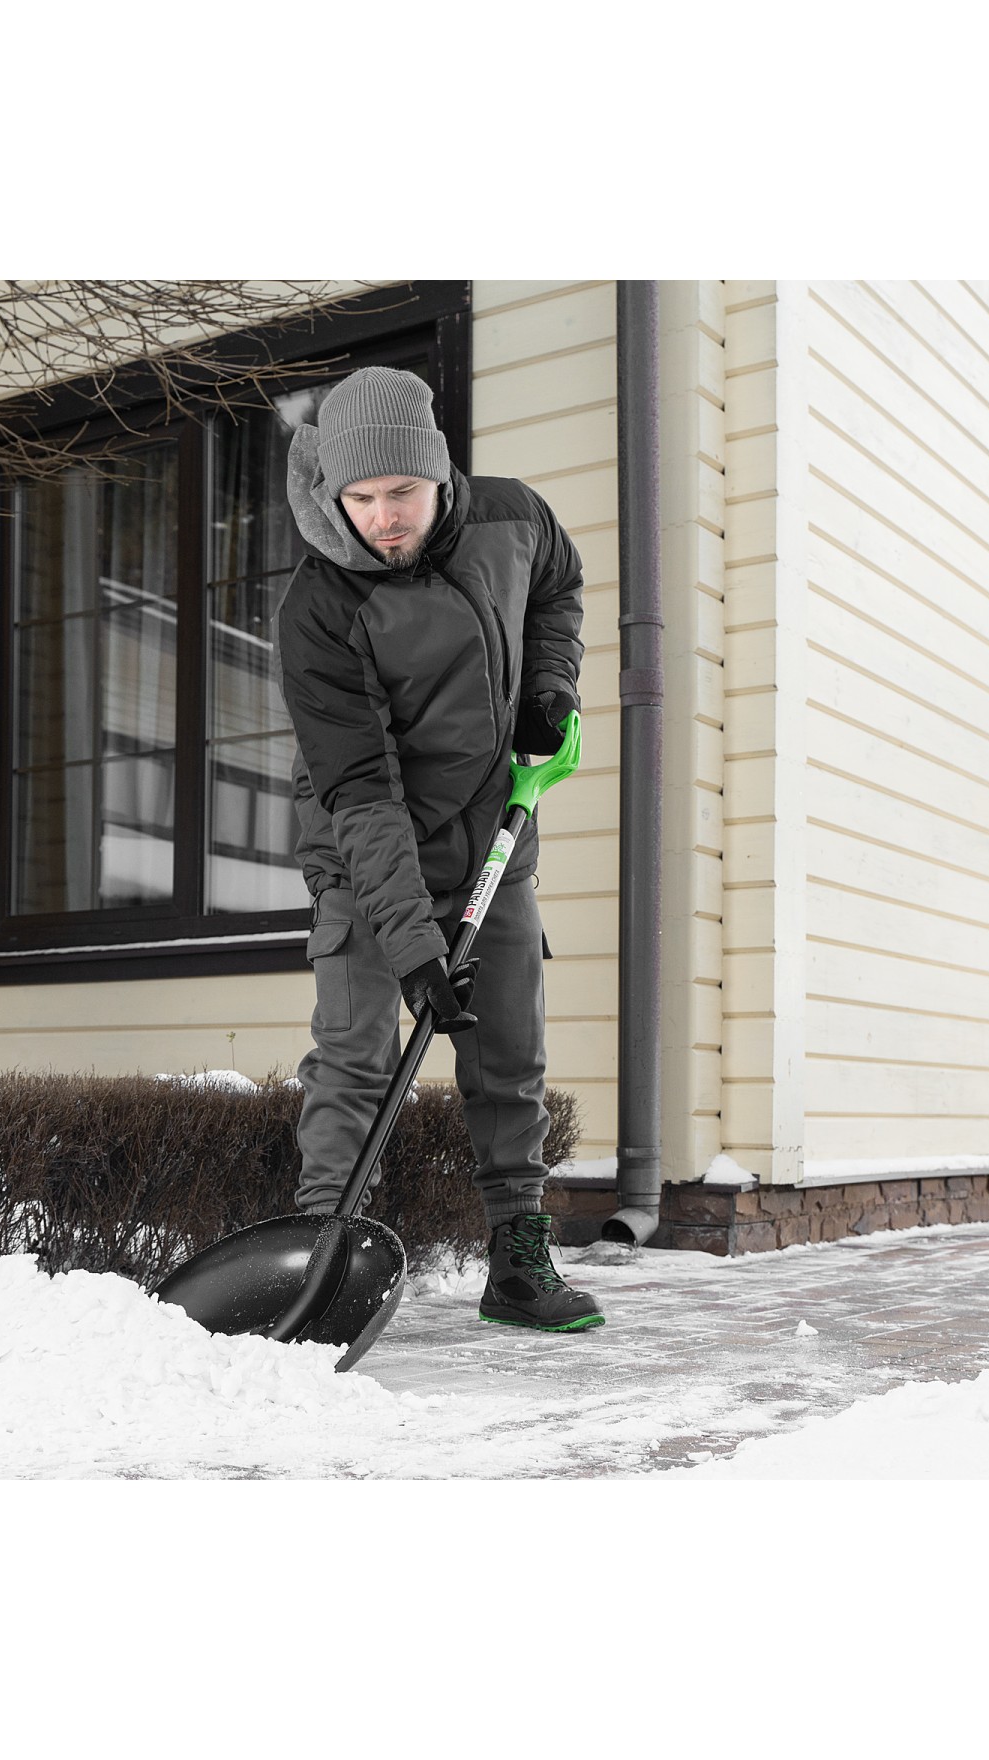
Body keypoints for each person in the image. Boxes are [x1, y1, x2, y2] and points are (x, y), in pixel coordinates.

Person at [273, 365, 604, 1332]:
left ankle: (517, 1264)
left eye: (403, 492)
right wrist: (414, 946)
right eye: (362, 498)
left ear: (440, 471)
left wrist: (548, 688)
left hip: (497, 829)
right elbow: (361, 790)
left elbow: (559, 590)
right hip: (367, 852)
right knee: (356, 1058)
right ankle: (319, 1260)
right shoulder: (319, 606)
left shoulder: (514, 518)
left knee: (509, 1052)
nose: (383, 518)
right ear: (334, 490)